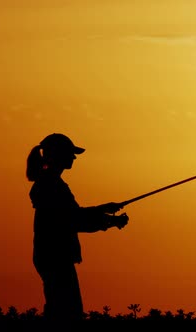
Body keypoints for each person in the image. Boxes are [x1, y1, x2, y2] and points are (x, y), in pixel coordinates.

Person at [26, 133, 129, 323]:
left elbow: (72, 216)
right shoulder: (51, 185)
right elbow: (72, 220)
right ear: (58, 155)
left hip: (52, 255)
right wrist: (108, 220)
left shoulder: (51, 183)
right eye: (70, 153)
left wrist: (104, 212)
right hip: (55, 256)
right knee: (67, 312)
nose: (73, 158)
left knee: (62, 308)